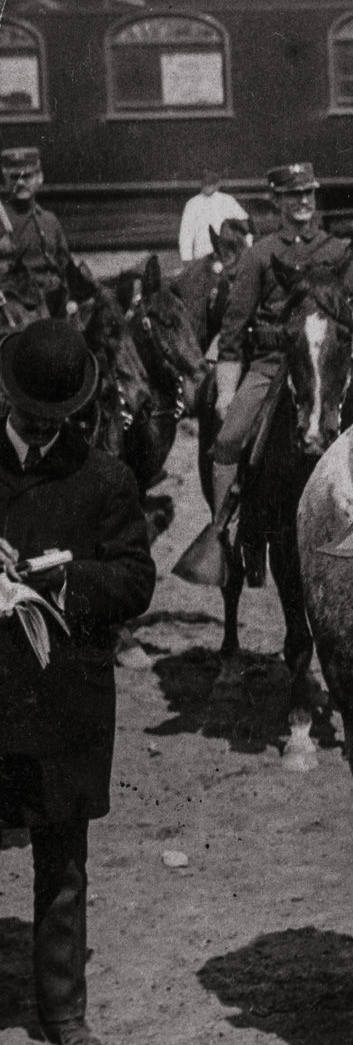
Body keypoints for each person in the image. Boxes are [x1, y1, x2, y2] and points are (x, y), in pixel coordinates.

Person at [0, 319, 155, 1045]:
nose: (41, 431)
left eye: (56, 421)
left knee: (62, 861)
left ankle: (63, 1011)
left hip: (64, 698)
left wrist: (66, 578)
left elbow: (134, 579)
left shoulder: (105, 479)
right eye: (31, 418)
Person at [210, 162, 353, 521]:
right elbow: (234, 329)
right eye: (293, 194)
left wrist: (348, 327)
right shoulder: (260, 254)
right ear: (277, 199)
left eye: (307, 193)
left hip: (329, 365)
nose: (302, 201)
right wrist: (225, 391)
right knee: (228, 439)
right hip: (271, 365)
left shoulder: (336, 251)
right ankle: (224, 532)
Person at [0, 148, 73, 330]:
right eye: (15, 177)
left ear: (40, 177)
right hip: (14, 309)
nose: (21, 183)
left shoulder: (49, 220)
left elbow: (65, 265)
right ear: (5, 181)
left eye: (27, 176)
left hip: (52, 303)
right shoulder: (2, 221)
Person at [177, 170, 248, 263]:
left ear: (217, 185)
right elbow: (186, 233)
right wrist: (186, 258)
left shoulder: (228, 200)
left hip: (227, 256)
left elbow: (244, 223)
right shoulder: (192, 204)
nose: (207, 187)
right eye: (205, 184)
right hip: (202, 256)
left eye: (210, 184)